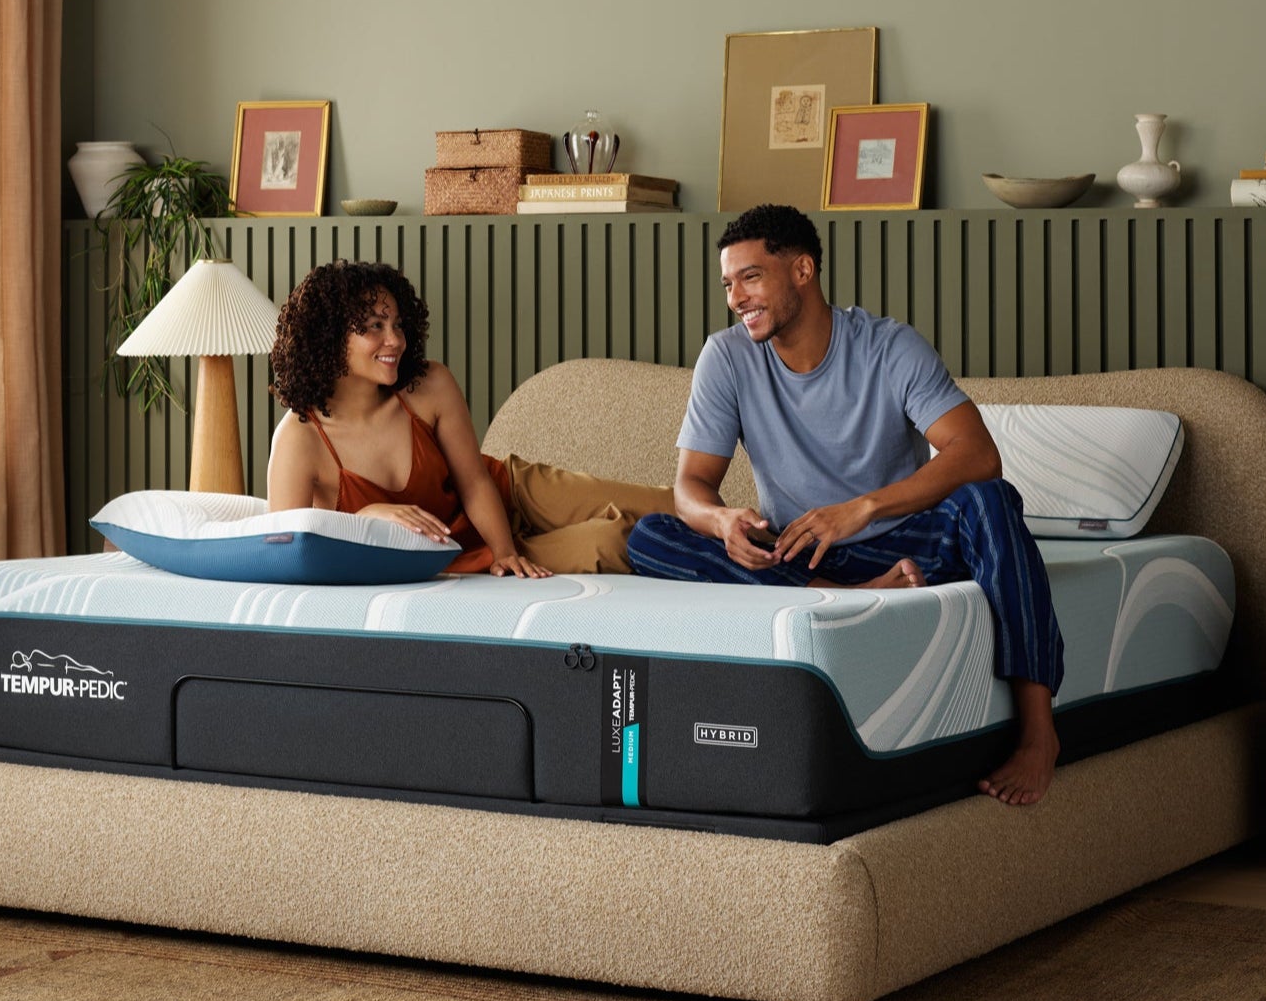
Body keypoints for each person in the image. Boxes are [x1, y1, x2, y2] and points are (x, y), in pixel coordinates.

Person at [626, 204, 1065, 805]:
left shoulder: (889, 347)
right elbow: (691, 487)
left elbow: (977, 453)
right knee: (650, 535)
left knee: (991, 501)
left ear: (802, 270)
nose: (736, 297)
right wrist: (722, 519)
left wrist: (865, 508)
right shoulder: (725, 357)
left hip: (907, 542)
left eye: (751, 277)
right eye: (728, 283)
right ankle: (846, 594)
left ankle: (1039, 735)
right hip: (800, 555)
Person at [267, 260, 672, 577]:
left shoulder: (429, 385)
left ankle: (734, 533)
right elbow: (284, 554)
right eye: (375, 327)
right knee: (616, 538)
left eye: (398, 324)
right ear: (329, 338)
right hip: (459, 554)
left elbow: (475, 481)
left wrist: (506, 551)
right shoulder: (298, 440)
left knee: (666, 504)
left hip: (509, 494)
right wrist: (363, 518)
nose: (395, 340)